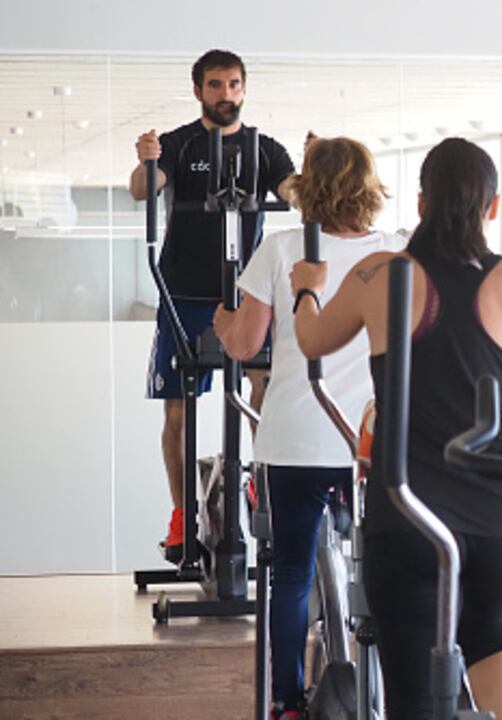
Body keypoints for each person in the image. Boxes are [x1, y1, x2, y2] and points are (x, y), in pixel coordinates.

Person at [290, 137, 502, 718]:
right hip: (500, 516)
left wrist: (307, 287)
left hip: (409, 517)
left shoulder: (381, 273)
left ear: (421, 203)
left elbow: (311, 341)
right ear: (492, 208)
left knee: (417, 697)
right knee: (492, 634)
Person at [212, 136, 400, 720]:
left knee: (290, 572)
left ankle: (287, 702)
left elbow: (244, 344)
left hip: (297, 435)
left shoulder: (283, 248)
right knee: (390, 571)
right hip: (375, 440)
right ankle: (396, 694)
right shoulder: (398, 253)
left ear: (306, 188)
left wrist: (222, 316)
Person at [128, 48, 296, 563]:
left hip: (248, 294)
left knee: (262, 392)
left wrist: (318, 177)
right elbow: (142, 190)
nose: (227, 94)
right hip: (185, 294)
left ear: (244, 89)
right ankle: (184, 517)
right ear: (199, 90)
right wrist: (148, 161)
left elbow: (294, 192)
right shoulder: (179, 143)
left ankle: (265, 494)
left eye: (234, 85)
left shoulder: (265, 149)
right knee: (178, 408)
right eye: (216, 85)